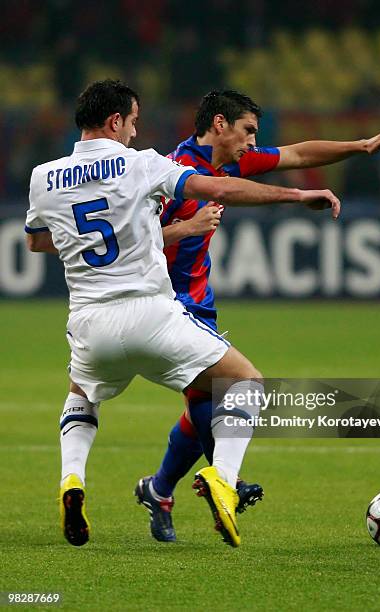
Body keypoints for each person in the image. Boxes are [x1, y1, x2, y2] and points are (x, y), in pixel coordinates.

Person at [25, 79, 341, 548]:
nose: (135, 131)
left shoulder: (42, 177)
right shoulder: (144, 163)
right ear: (116, 121)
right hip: (152, 315)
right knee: (244, 380)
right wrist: (296, 197)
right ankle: (225, 480)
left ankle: (73, 480)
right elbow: (218, 187)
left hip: (89, 324)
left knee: (82, 396)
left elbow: (36, 242)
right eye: (132, 122)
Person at [146, 89, 380, 542]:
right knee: (218, 392)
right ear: (220, 125)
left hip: (197, 302)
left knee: (207, 400)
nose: (254, 141)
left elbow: (298, 152)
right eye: (248, 130)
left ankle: (161, 489)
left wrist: (360, 145)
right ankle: (223, 482)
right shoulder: (175, 173)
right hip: (159, 302)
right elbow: (140, 239)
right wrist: (187, 228)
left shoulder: (231, 161)